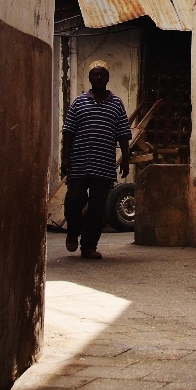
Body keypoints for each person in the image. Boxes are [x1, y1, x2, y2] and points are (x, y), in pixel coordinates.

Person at [61, 62, 131, 260]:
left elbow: (123, 134)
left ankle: (89, 246)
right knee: (74, 200)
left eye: (102, 75)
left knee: (97, 208)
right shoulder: (79, 102)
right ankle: (73, 230)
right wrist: (65, 158)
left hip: (104, 164)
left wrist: (125, 160)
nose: (99, 78)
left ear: (108, 78)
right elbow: (68, 132)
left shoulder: (116, 104)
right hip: (79, 163)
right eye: (95, 75)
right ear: (90, 78)